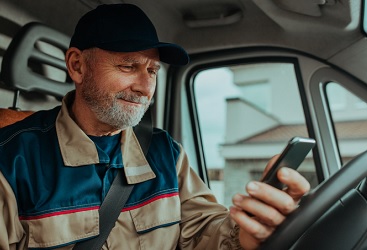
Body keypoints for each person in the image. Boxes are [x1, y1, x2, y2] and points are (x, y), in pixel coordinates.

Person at [0, 4, 310, 250]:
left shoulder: (165, 152)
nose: (145, 87)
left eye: (152, 70)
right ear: (78, 66)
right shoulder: (13, 161)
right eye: (128, 66)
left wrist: (249, 231)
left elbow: (203, 232)